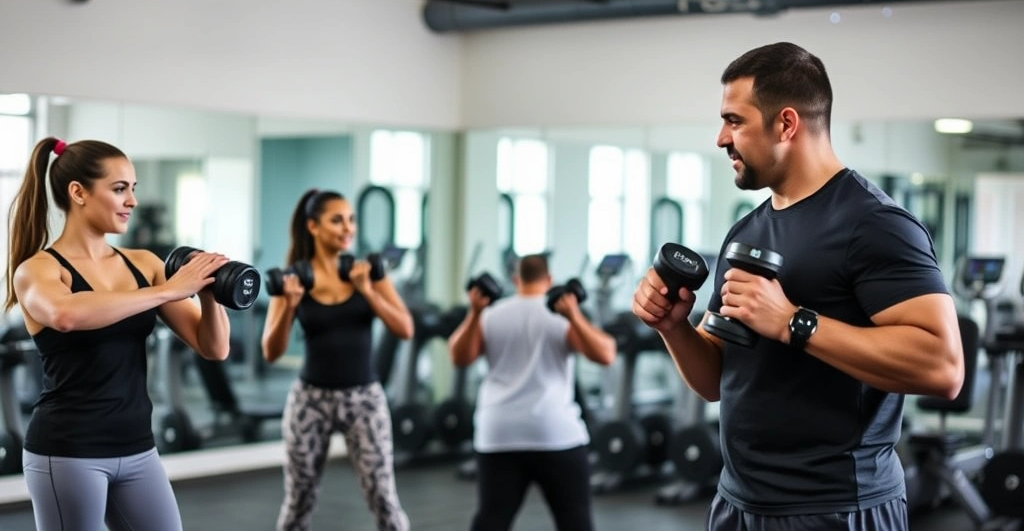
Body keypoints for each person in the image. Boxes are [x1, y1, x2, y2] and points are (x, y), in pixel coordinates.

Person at [632, 42, 965, 530]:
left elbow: (943, 365)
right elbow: (716, 382)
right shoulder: (746, 232)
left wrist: (793, 322)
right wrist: (673, 327)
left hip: (837, 508)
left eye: (735, 120)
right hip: (739, 503)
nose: (721, 137)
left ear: (786, 124)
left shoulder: (875, 223)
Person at [3, 137, 233, 531]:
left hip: (139, 448)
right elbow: (65, 315)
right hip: (69, 452)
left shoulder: (144, 264)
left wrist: (212, 294)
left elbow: (214, 348)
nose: (133, 201)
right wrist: (169, 289)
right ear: (78, 192)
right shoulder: (38, 270)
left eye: (134, 189)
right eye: (119, 189)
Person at [261, 188, 414, 531]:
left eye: (351, 219)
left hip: (364, 398)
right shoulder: (293, 279)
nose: (348, 228)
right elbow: (271, 352)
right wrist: (288, 305)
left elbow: (404, 328)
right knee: (299, 502)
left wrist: (368, 291)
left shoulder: (368, 272)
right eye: (337, 220)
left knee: (384, 498)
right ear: (313, 227)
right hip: (310, 399)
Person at [448, 254, 617, 531]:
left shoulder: (490, 314)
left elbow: (459, 357)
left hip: (498, 433)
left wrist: (475, 311)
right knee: (575, 520)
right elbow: (606, 354)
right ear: (549, 280)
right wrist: (574, 315)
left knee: (492, 519)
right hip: (555, 433)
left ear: (515, 280)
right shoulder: (561, 315)